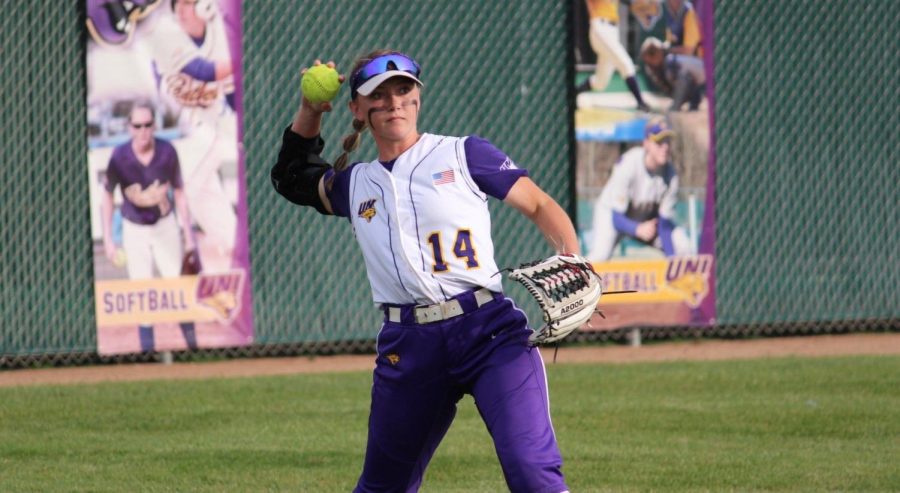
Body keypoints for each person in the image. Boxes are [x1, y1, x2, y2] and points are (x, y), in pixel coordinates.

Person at [272, 51, 578, 493]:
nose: (394, 101)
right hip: (409, 348)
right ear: (357, 109)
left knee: (532, 471)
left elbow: (539, 204)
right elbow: (290, 175)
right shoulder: (353, 184)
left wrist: (574, 261)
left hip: (490, 333)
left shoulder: (463, 153)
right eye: (379, 94)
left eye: (403, 89)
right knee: (383, 487)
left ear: (417, 98)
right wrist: (310, 110)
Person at [143, 0, 238, 272]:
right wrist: (241, 58)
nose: (181, 9)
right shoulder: (165, 31)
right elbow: (202, 71)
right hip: (182, 130)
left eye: (188, 3)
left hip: (213, 126)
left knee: (191, 184)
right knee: (205, 192)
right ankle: (236, 248)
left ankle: (213, 247)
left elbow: (231, 95)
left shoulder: (220, 36)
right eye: (177, 4)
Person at [101, 102, 198, 352]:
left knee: (177, 288)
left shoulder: (167, 152)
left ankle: (193, 349)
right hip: (134, 230)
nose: (143, 130)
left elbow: (180, 193)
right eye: (137, 125)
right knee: (141, 291)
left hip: (165, 226)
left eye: (147, 125)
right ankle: (148, 353)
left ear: (154, 125)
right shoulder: (120, 157)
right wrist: (109, 240)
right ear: (129, 128)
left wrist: (189, 237)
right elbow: (107, 197)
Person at [587, 117, 694, 261]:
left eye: (667, 141)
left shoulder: (671, 175)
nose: (665, 147)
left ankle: (678, 282)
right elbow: (617, 217)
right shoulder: (629, 164)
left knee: (683, 246)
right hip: (611, 214)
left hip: (644, 220)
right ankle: (575, 280)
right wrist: (636, 229)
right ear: (646, 143)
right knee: (599, 257)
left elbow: (664, 224)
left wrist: (671, 260)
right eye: (659, 141)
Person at [577, 0, 650, 112]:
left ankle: (572, 94)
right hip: (600, 27)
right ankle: (641, 103)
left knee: (600, 83)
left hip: (612, 31)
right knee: (626, 64)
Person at [639, 36, 706, 111]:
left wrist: (676, 105)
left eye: (650, 60)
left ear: (658, 54)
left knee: (682, 77)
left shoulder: (670, 61)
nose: (649, 64)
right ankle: (688, 104)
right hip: (700, 84)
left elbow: (686, 79)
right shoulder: (665, 63)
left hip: (706, 83)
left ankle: (683, 105)